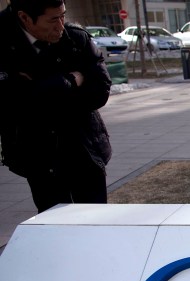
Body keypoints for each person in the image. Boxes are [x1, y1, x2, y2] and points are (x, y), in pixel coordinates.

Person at [0, 0, 112, 213]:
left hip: (85, 150)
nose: (61, 26)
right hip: (37, 155)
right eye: (53, 19)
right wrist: (69, 81)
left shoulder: (75, 38)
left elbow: (100, 90)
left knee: (95, 220)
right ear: (24, 17)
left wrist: (37, 91)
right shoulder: (4, 44)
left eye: (63, 16)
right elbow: (10, 103)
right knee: (53, 222)